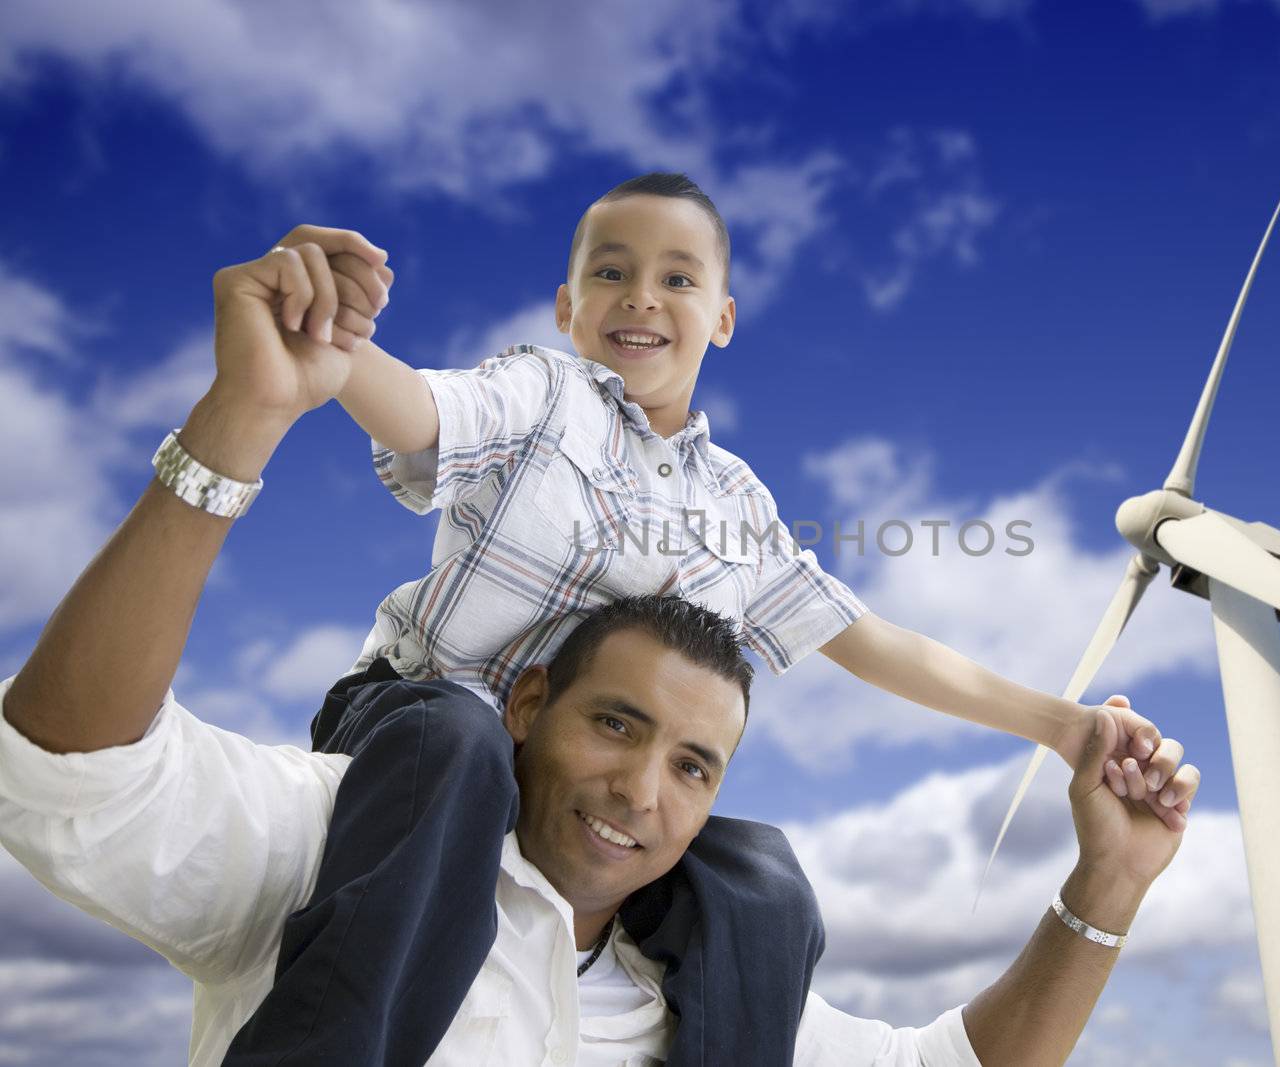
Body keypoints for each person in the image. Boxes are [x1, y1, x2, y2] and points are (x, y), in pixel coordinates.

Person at [0, 235, 1202, 1065]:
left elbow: (958, 1060)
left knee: (764, 875)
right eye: (616, 723)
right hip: (417, 738)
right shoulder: (349, 838)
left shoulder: (719, 962)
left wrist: (1103, 870)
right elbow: (72, 770)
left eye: (695, 763)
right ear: (533, 701)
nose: (643, 787)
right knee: (442, 738)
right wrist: (255, 409)